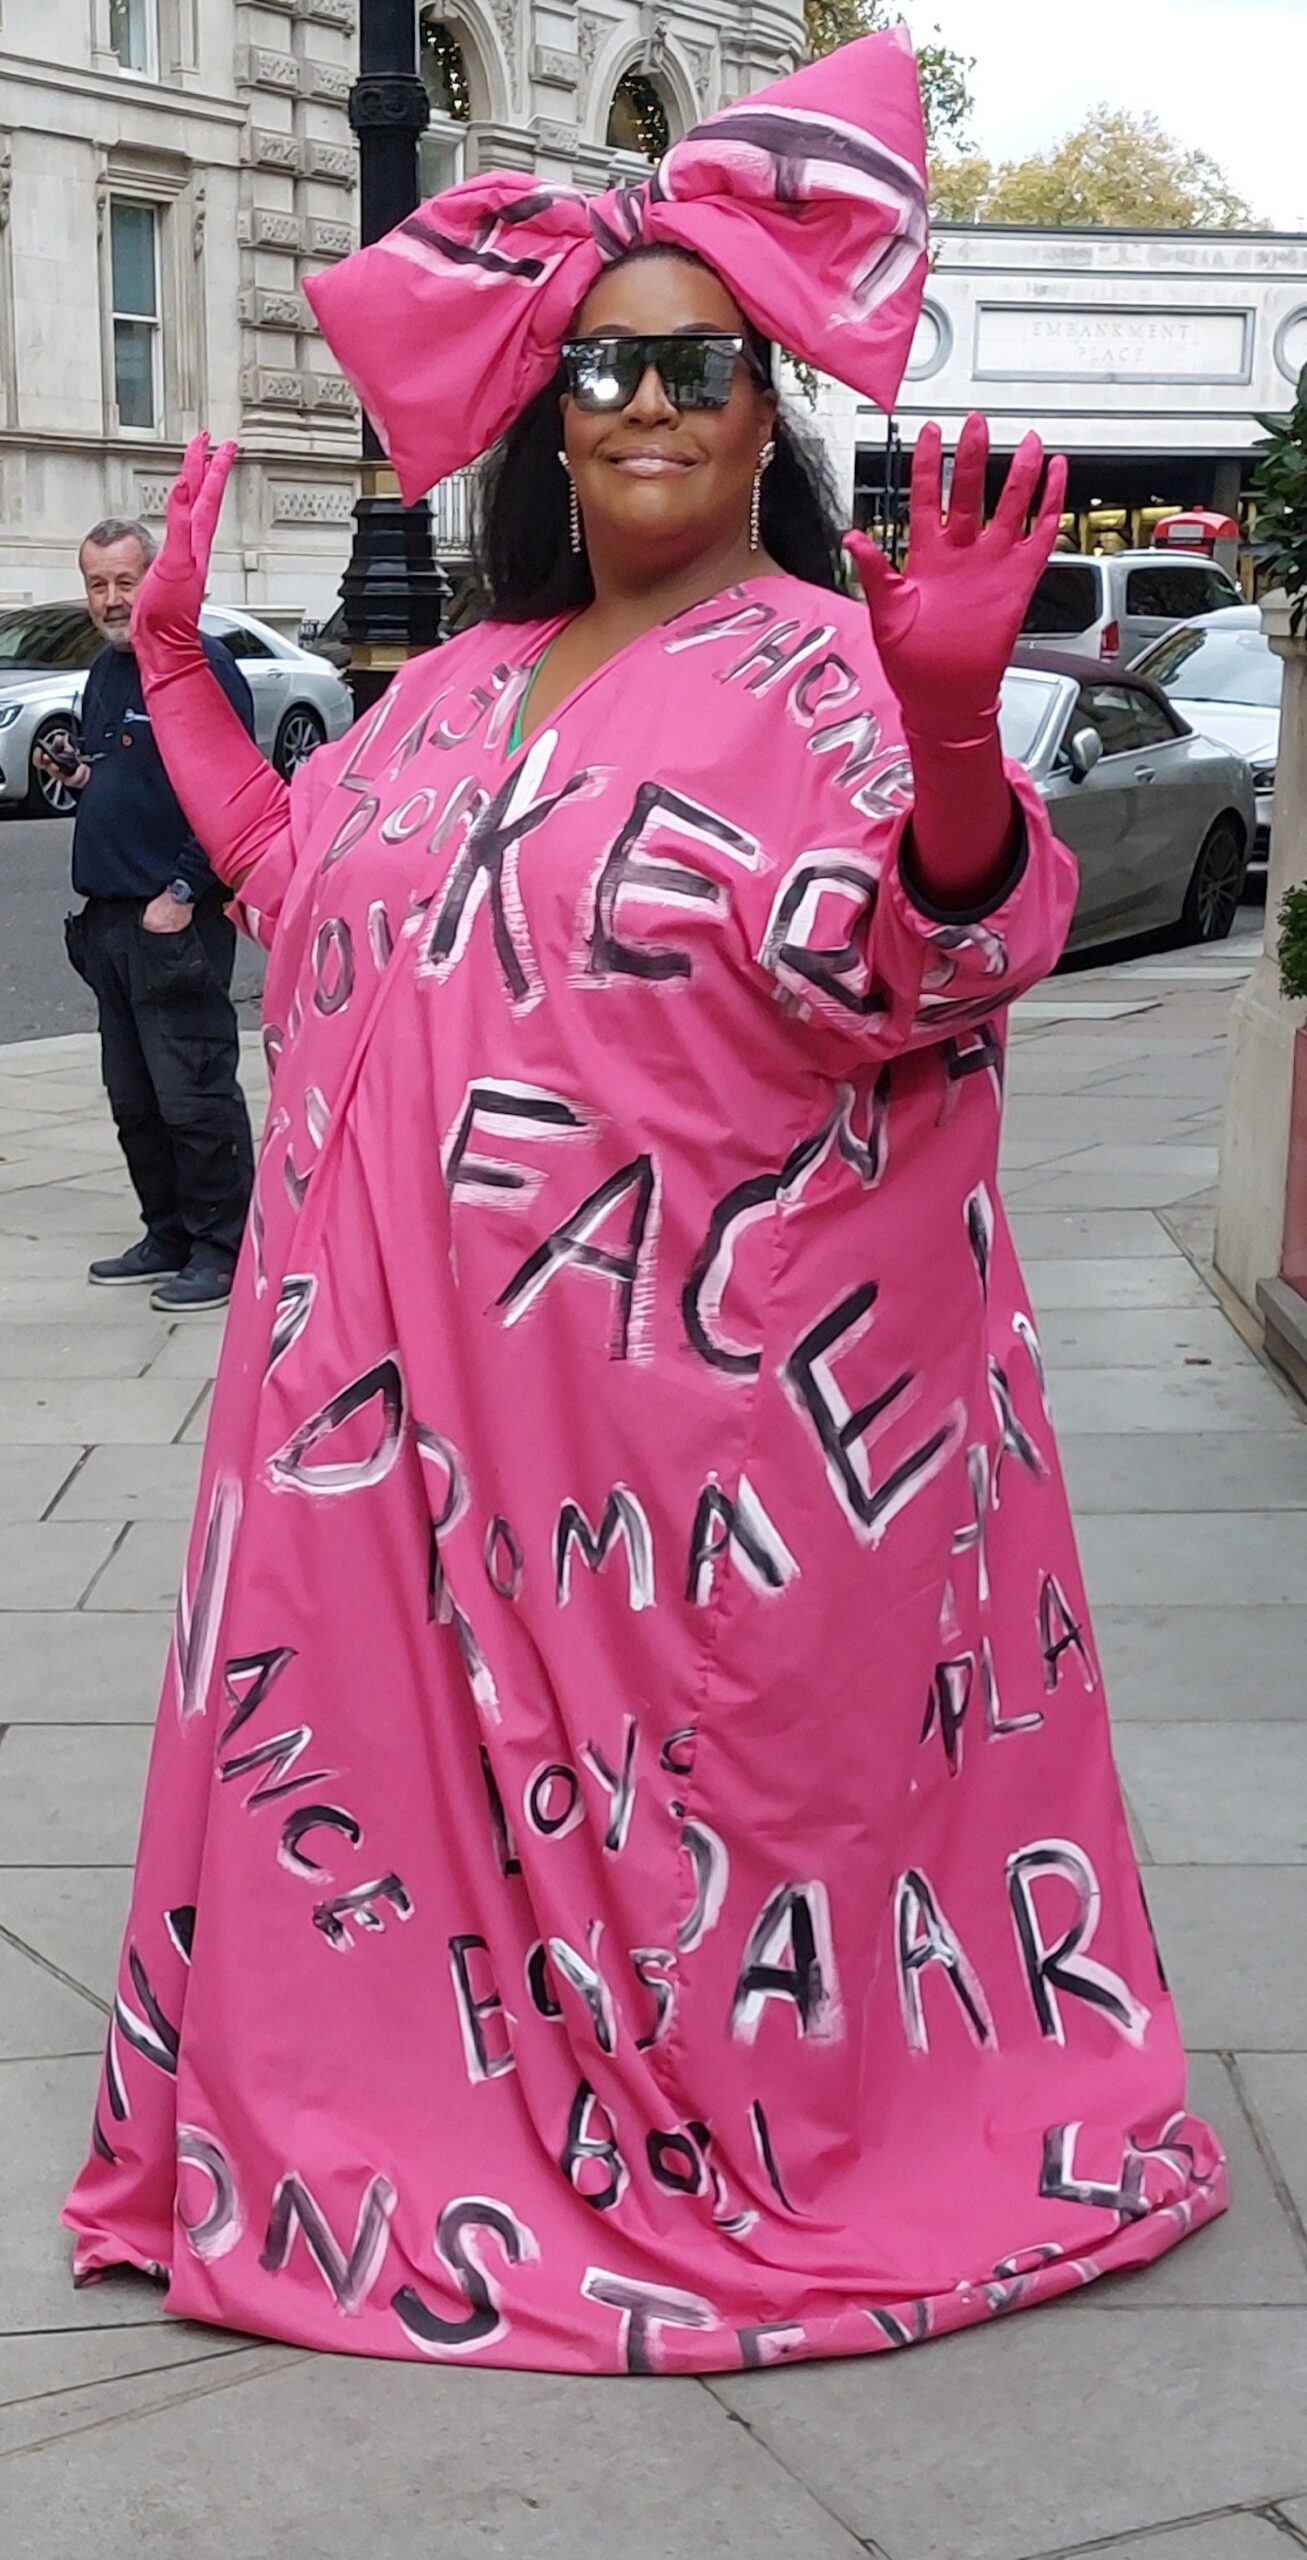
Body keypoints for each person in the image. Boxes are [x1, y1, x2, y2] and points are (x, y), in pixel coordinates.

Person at [65, 32, 1223, 2371]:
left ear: (759, 399)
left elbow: (923, 953)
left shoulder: (815, 671)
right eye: (592, 369)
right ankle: (387, 2113)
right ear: (544, 417)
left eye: (691, 363)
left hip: (675, 1466)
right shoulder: (458, 679)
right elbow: (312, 893)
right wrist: (175, 669)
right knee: (373, 1841)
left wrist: (932, 732)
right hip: (393, 1459)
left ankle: (751, 2129)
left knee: (723, 1858)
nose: (638, 404)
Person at [50, 516, 256, 1313]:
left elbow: (234, 793)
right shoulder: (106, 671)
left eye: (123, 582)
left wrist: (181, 894)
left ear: (154, 580)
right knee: (135, 1100)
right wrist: (76, 776)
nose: (108, 599)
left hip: (173, 922)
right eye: (96, 583)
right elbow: (124, 772)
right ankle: (167, 1233)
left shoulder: (196, 665)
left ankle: (222, 1247)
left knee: (192, 1094)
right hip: (107, 922)